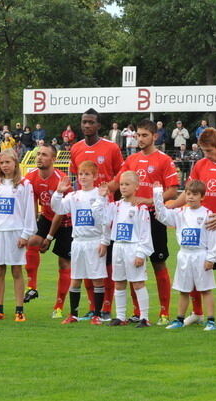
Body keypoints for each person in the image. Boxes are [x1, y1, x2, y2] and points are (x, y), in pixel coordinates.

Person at [167, 128, 216, 328]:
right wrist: (172, 206)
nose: (207, 155)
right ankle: (197, 313)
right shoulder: (200, 165)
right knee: (195, 272)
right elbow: (189, 192)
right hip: (200, 230)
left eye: (210, 151)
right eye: (204, 151)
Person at [107, 119, 179, 324]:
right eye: (138, 135)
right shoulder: (131, 160)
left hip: (153, 217)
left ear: (154, 136)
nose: (140, 139)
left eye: (144, 135)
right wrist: (100, 188)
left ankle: (164, 312)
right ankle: (137, 312)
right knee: (131, 264)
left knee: (158, 262)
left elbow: (173, 190)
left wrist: (149, 200)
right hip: (131, 219)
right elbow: (117, 183)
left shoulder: (164, 160)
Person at [69, 108, 124, 320]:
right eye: (84, 122)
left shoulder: (111, 148)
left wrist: (108, 192)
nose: (87, 126)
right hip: (84, 215)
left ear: (98, 125)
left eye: (91, 122)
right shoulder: (75, 148)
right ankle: (93, 309)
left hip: (105, 212)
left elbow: (120, 176)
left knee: (105, 265)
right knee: (87, 267)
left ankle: (105, 309)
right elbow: (78, 179)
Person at [154, 180, 216, 331]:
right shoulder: (180, 213)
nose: (191, 197)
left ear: (202, 196)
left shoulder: (207, 214)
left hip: (201, 255)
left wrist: (211, 258)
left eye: (195, 194)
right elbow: (161, 215)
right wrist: (157, 194)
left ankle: (211, 320)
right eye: (188, 194)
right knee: (183, 289)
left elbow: (213, 238)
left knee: (205, 289)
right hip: (184, 255)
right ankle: (179, 319)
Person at [52, 161, 109, 325]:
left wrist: (104, 242)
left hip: (94, 241)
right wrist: (58, 193)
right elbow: (58, 209)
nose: (83, 177)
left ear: (95, 176)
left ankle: (97, 315)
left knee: (97, 279)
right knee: (75, 278)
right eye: (81, 174)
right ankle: (73, 315)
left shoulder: (100, 193)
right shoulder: (73, 196)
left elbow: (105, 220)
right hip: (78, 242)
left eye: (87, 174)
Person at [0, 150, 36, 322]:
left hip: (15, 232)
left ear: (15, 163)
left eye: (8, 162)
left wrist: (26, 234)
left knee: (16, 270)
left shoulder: (25, 184)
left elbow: (29, 211)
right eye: (2, 163)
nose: (4, 166)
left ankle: (19, 310)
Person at [100, 172, 154, 327]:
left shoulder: (140, 208)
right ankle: (120, 316)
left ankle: (144, 317)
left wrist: (141, 253)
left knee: (138, 283)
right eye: (122, 184)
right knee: (119, 283)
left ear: (136, 186)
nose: (123, 187)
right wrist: (102, 197)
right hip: (118, 246)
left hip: (133, 247)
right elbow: (101, 217)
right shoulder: (115, 205)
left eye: (127, 184)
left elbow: (145, 232)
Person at [23, 145, 69, 314]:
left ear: (53, 159)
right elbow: (32, 203)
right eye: (38, 154)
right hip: (47, 217)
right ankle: (32, 287)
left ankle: (58, 307)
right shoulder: (31, 176)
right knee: (32, 241)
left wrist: (49, 238)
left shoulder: (61, 179)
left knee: (64, 262)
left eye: (44, 155)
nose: (39, 157)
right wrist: (33, 226)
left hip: (65, 221)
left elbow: (61, 212)